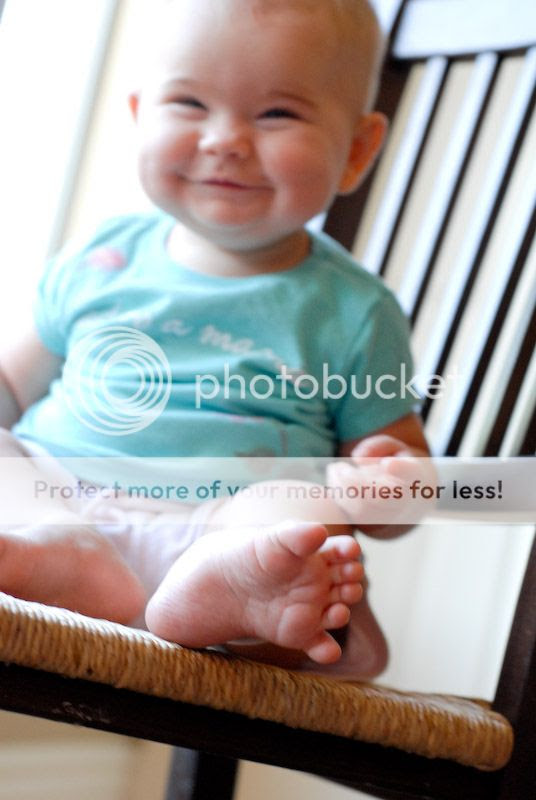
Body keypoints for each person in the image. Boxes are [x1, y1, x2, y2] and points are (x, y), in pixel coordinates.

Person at [0, 0, 429, 678]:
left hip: (223, 536)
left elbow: (396, 490)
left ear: (356, 150)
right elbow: (11, 387)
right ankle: (72, 564)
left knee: (306, 513)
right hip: (50, 501)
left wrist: (389, 482)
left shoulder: (353, 310)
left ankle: (230, 602)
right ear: (141, 114)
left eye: (276, 113)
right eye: (190, 103)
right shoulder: (103, 257)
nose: (225, 139)